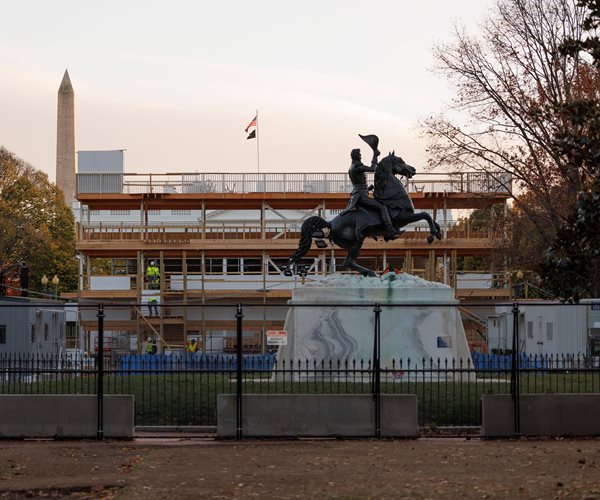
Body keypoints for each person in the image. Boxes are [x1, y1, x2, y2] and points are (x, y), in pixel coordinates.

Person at [339, 148, 401, 239]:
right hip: (361, 196)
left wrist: (367, 188)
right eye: (359, 155)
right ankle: (390, 231)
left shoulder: (352, 167)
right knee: (382, 207)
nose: (360, 156)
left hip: (359, 194)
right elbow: (373, 169)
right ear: (356, 156)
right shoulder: (357, 167)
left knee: (375, 208)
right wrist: (375, 155)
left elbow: (358, 184)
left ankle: (379, 231)